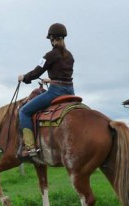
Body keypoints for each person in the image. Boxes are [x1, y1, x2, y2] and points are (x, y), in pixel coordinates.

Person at [17, 22, 75, 157]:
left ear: (52, 38)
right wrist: (51, 79)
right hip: (71, 91)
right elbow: (65, 74)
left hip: (56, 92)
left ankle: (31, 148)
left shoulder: (49, 55)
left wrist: (24, 77)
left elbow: (37, 72)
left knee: (24, 111)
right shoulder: (70, 55)